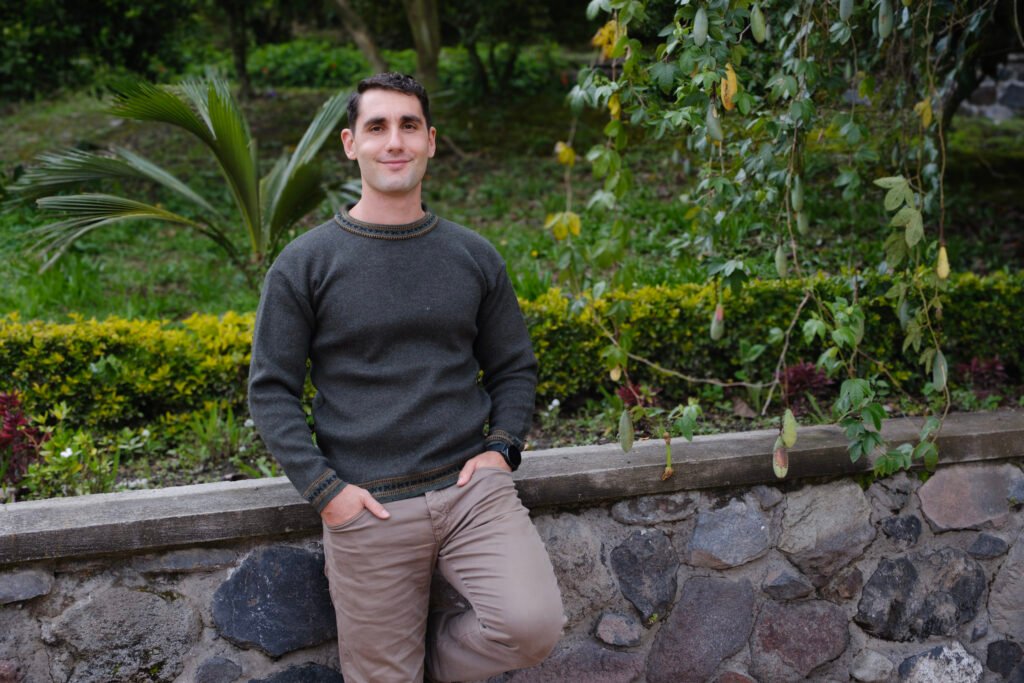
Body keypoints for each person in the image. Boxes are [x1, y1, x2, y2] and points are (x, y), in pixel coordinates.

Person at [248, 72, 564, 683]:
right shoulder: (305, 264)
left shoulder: (473, 254)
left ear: (430, 142)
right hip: (371, 507)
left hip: (474, 492)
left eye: (409, 126)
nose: (394, 141)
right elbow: (271, 389)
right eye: (377, 127)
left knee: (531, 626)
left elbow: (513, 366)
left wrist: (502, 449)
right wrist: (327, 494)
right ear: (350, 143)